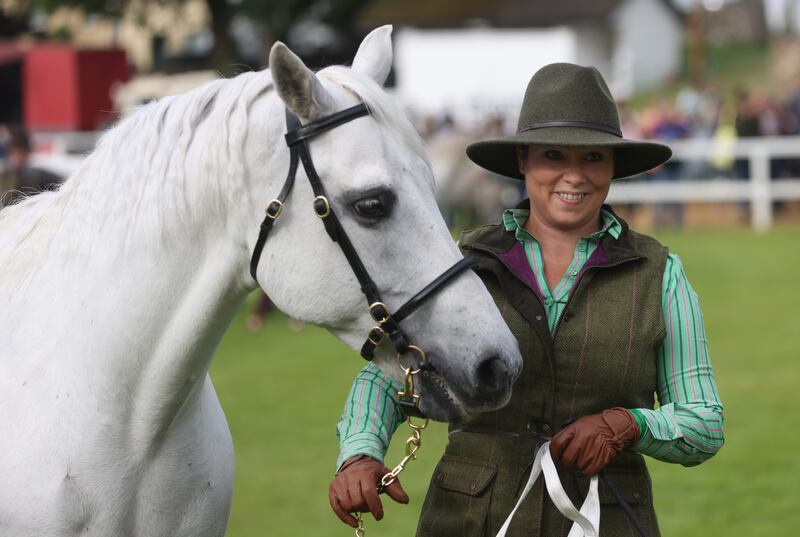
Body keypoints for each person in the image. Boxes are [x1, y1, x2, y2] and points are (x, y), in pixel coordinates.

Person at [327, 64, 724, 536]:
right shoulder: (461, 266)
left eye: (594, 157)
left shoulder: (660, 274)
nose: (574, 176)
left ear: (614, 166)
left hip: (609, 518)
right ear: (523, 160)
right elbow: (385, 379)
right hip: (468, 521)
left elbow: (703, 422)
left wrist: (627, 424)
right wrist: (360, 454)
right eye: (553, 155)